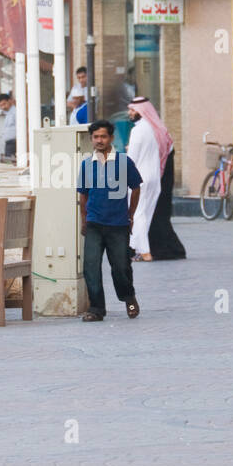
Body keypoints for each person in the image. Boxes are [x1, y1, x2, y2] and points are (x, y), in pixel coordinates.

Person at [77, 119, 142, 322]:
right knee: (91, 266)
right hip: (94, 223)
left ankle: (129, 297)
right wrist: (84, 219)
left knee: (121, 267)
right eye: (96, 137)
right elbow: (83, 195)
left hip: (118, 224)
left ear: (111, 138)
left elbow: (136, 187)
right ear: (91, 139)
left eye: (103, 136)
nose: (99, 140)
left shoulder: (124, 162)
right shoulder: (87, 165)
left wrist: (130, 215)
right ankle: (96, 308)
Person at [125, 97, 185, 261]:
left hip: (140, 178)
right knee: (147, 213)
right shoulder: (156, 129)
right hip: (155, 178)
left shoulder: (137, 131)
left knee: (138, 214)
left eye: (133, 110)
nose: (130, 113)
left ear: (141, 111)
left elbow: (132, 159)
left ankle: (145, 252)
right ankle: (138, 249)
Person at [0, 92, 17, 159]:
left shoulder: (15, 112)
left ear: (10, 101)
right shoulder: (8, 113)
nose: (3, 107)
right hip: (9, 143)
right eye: (1, 105)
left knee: (10, 162)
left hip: (14, 143)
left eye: (4, 104)